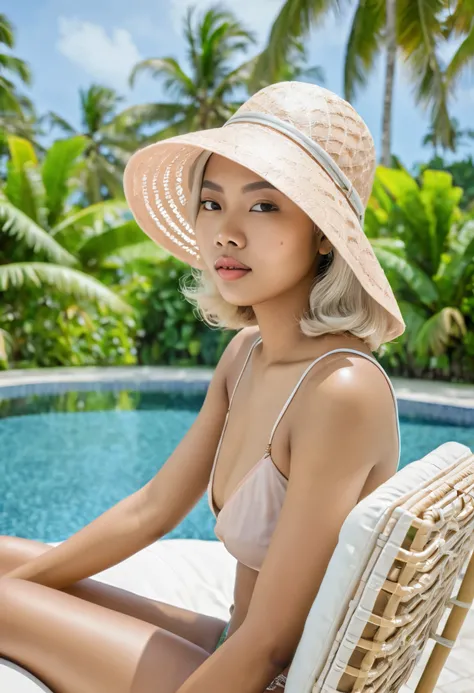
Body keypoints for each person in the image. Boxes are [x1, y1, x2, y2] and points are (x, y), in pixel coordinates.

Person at [0, 81, 405, 693]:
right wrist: (23, 587)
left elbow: (270, 644)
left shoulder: (341, 391)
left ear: (324, 233)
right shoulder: (246, 354)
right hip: (226, 645)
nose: (227, 233)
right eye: (212, 203)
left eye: (264, 206)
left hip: (262, 679)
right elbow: (152, 509)